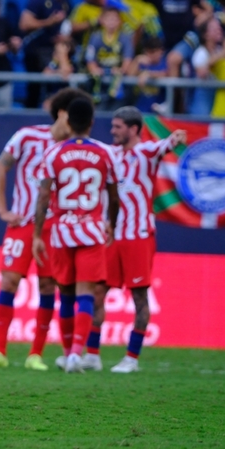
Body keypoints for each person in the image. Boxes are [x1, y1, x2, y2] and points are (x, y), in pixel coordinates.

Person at [0, 87, 92, 371]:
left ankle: (36, 354)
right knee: (9, 282)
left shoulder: (74, 148)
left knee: (47, 286)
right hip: (22, 224)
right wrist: (3, 211)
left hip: (55, 228)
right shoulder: (27, 136)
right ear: (63, 113)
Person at [79, 107, 186, 373]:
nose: (113, 131)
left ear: (134, 129)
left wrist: (176, 137)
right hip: (112, 237)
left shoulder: (146, 152)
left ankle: (132, 358)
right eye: (113, 126)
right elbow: (90, 144)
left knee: (139, 296)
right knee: (98, 292)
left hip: (138, 236)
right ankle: (92, 354)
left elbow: (165, 145)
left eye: (118, 127)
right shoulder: (109, 153)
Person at [33, 97, 120, 374]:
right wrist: (111, 224)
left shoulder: (54, 153)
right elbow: (114, 196)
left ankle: (67, 351)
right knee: (87, 294)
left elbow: (44, 196)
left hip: (61, 232)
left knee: (66, 295)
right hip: (92, 231)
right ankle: (75, 355)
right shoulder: (106, 153)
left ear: (68, 122)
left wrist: (37, 234)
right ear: (92, 123)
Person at [19, 0, 70, 108]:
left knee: (58, 90)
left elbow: (68, 27)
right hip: (35, 52)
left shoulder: (66, 4)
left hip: (56, 53)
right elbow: (24, 24)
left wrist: (64, 39)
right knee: (34, 90)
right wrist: (49, 22)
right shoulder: (37, 2)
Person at [85, 5, 134, 110]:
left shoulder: (125, 38)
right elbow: (90, 59)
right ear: (102, 20)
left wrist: (121, 70)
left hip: (119, 83)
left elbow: (128, 59)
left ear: (120, 21)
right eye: (109, 19)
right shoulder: (95, 37)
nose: (112, 22)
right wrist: (95, 70)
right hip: (99, 84)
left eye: (115, 19)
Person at [189, 17, 223, 116]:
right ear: (206, 35)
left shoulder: (219, 49)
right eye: (214, 28)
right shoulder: (200, 53)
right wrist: (221, 55)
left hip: (217, 98)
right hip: (202, 99)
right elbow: (201, 73)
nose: (219, 30)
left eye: (219, 28)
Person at [128, 36, 167, 113]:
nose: (150, 55)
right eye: (148, 51)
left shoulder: (165, 62)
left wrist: (148, 74)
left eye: (153, 52)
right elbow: (129, 75)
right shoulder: (141, 63)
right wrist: (136, 61)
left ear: (161, 51)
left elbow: (166, 74)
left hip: (159, 110)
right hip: (140, 109)